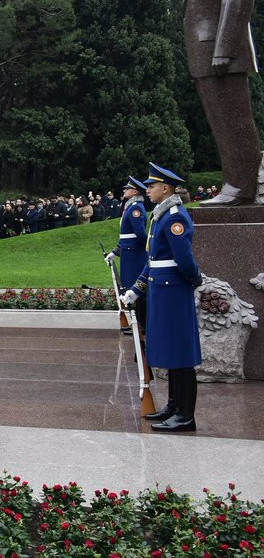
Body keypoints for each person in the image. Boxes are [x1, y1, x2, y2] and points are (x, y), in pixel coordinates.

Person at [184, 0, 261, 205]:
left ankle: (242, 187)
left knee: (234, 123)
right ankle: (235, 184)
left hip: (220, 54)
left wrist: (224, 50)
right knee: (222, 124)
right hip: (207, 54)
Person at [123, 163, 202, 433]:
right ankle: (173, 406)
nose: (147, 190)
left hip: (174, 291)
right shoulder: (160, 216)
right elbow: (153, 259)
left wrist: (194, 279)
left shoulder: (174, 217)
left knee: (181, 352)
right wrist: (137, 288)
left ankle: (185, 415)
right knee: (170, 350)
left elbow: (184, 260)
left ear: (165, 188)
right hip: (162, 290)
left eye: (152, 186)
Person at [108, 177, 150, 338]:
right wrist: (116, 251)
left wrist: (148, 248)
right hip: (129, 253)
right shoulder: (131, 207)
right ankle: (138, 323)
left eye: (127, 189)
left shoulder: (135, 209)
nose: (124, 191)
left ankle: (141, 324)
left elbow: (140, 234)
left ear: (134, 192)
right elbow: (126, 235)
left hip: (134, 255)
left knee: (138, 289)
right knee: (132, 288)